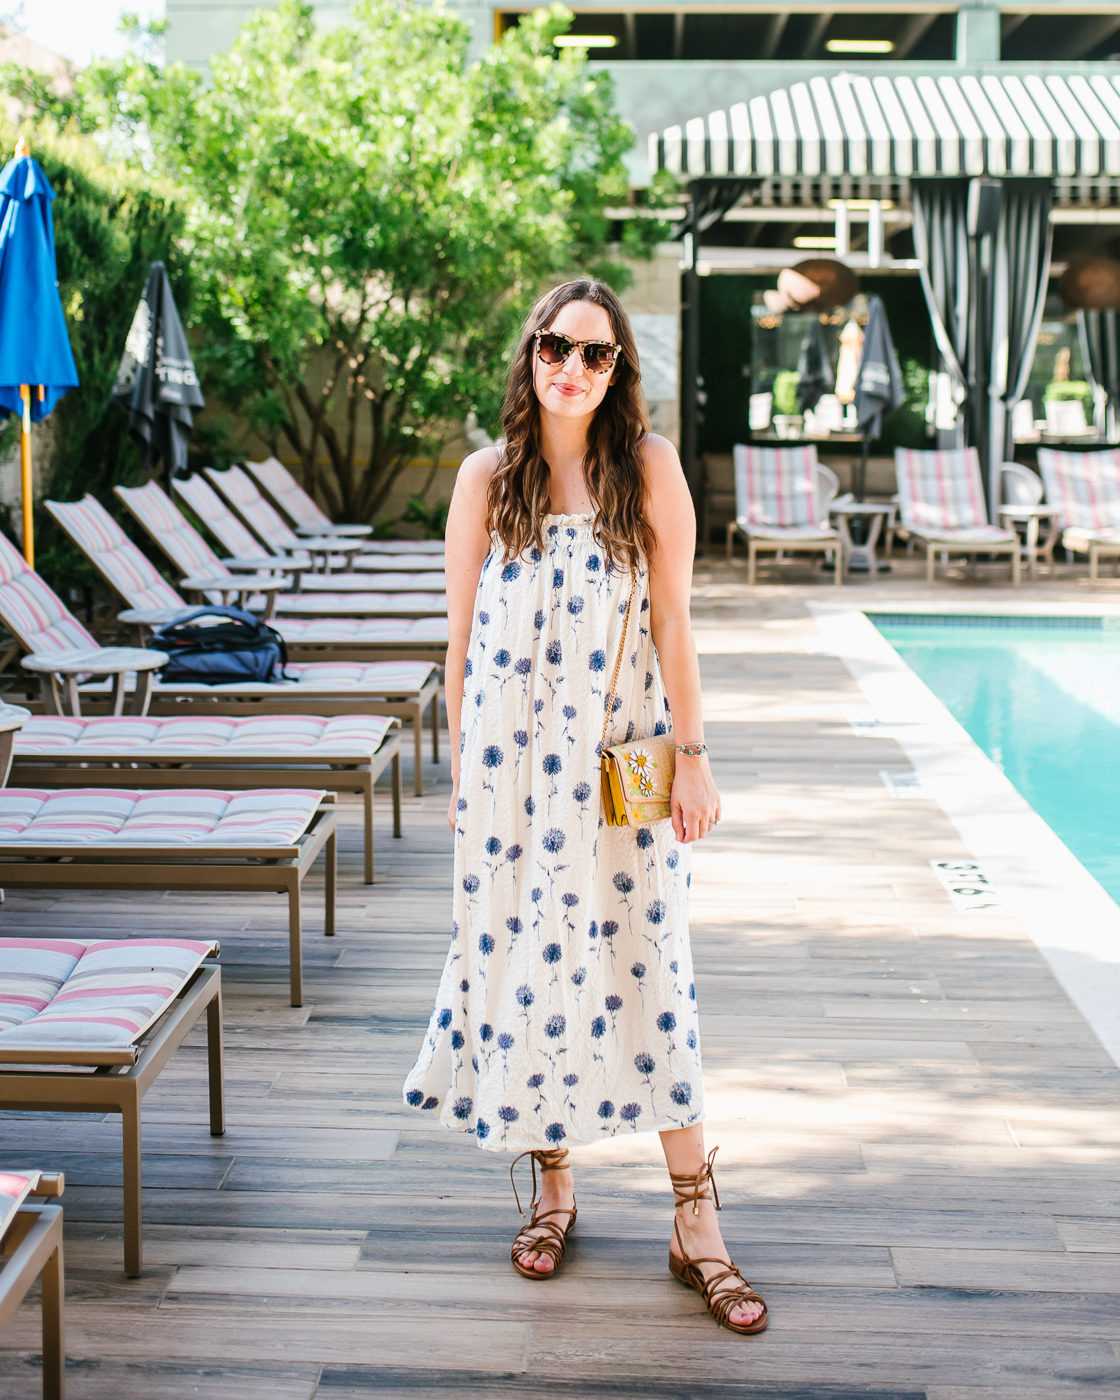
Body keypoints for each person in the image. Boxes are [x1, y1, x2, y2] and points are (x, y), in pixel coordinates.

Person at [402, 278, 766, 1334]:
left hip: (617, 768)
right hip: (508, 778)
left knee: (648, 967)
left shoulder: (646, 469)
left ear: (619, 372)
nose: (572, 365)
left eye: (596, 354)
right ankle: (551, 1184)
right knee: (526, 967)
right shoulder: (486, 478)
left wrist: (693, 758)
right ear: (529, 355)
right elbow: (462, 642)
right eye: (556, 345)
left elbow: (677, 629)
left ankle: (695, 1219)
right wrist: (462, 776)